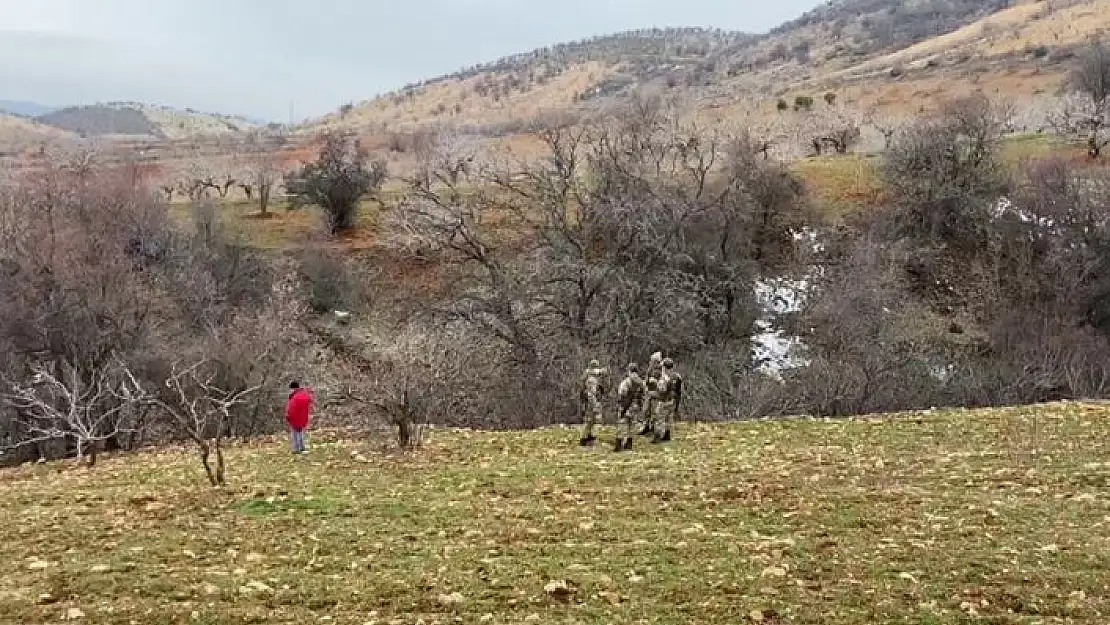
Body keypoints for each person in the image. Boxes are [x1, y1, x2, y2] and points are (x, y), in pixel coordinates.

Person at [614, 362, 647, 452]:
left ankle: (618, 445)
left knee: (622, 424)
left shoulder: (626, 382)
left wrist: (622, 408)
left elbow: (622, 394)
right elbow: (645, 394)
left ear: (629, 371)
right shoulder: (641, 382)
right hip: (636, 406)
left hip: (626, 406)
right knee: (631, 425)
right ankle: (629, 445)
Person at [651, 357, 683, 443]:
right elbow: (679, 390)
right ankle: (667, 436)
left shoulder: (664, 378)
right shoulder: (678, 376)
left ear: (665, 367)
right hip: (674, 401)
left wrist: (655, 383)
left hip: (665, 400)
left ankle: (657, 437)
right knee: (669, 418)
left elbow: (662, 390)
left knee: (659, 418)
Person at [579, 359, 609, 446]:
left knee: (591, 420)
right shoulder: (592, 380)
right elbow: (591, 394)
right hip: (590, 402)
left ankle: (588, 435)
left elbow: (600, 373)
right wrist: (595, 404)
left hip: (589, 401)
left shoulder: (589, 376)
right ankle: (583, 438)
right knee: (589, 420)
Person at [285, 381, 314, 454]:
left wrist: (288, 416)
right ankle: (301, 447)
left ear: (292, 388)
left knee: (295, 433)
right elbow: (309, 400)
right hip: (303, 417)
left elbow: (291, 408)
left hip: (294, 417)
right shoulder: (304, 395)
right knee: (300, 432)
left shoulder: (294, 397)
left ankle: (296, 448)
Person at [640, 351, 664, 436]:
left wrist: (655, 381)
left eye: (653, 360)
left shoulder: (662, 370)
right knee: (646, 409)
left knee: (655, 411)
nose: (652, 362)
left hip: (658, 393)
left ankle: (654, 428)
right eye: (652, 360)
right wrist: (645, 386)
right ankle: (646, 426)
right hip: (649, 392)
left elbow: (664, 384)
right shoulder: (650, 368)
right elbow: (646, 379)